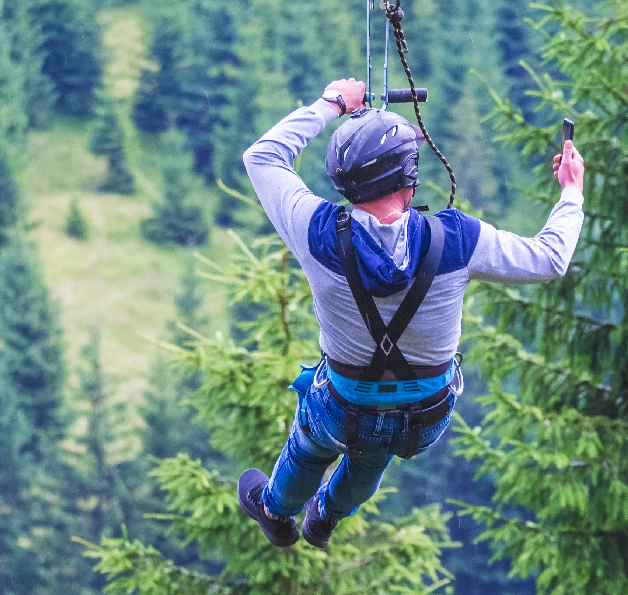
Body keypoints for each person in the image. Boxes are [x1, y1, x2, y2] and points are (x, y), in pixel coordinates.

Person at [236, 76, 586, 549]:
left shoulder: (314, 232)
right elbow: (550, 259)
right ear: (409, 176)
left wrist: (332, 103)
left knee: (313, 440)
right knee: (375, 451)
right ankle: (326, 516)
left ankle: (277, 512)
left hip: (344, 406)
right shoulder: (457, 239)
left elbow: (262, 156)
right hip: (425, 417)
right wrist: (571, 192)